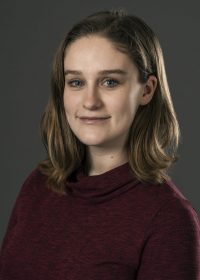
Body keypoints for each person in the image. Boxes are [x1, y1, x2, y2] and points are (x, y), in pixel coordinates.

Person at [0, 8, 200, 280]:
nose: (90, 101)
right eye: (76, 82)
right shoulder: (38, 186)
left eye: (109, 82)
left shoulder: (169, 219)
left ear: (147, 90)